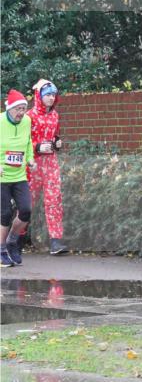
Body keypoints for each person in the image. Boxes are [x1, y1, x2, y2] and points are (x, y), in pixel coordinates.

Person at [27, 78, 67, 255]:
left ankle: (56, 241)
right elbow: (23, 142)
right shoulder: (29, 116)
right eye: (48, 95)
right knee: (27, 202)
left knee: (54, 200)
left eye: (53, 94)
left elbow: (55, 135)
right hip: (33, 165)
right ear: (39, 96)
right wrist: (37, 147)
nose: (51, 98)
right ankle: (16, 238)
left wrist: (57, 143)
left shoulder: (55, 115)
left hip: (51, 163)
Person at [1, 90, 35, 267]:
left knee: (26, 210)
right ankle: (1, 251)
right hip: (2, 177)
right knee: (5, 214)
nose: (21, 112)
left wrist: (30, 158)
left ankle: (12, 242)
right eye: (18, 109)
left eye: (24, 108)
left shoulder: (27, 121)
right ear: (9, 109)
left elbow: (29, 141)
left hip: (19, 175)